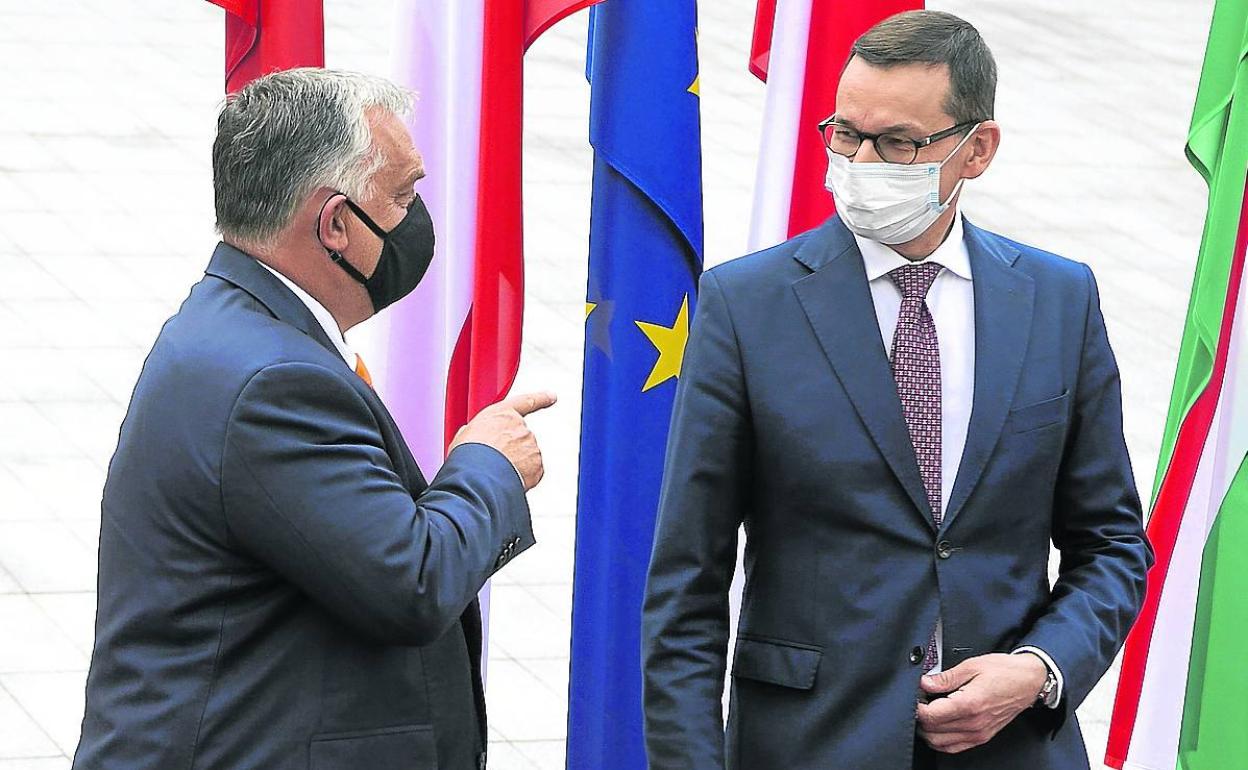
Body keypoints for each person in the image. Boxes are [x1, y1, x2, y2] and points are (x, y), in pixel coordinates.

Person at [641, 11, 1152, 770]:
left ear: (977, 149)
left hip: (1010, 750)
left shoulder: (1059, 300)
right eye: (846, 134)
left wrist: (1038, 671)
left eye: (899, 143)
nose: (861, 161)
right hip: (810, 746)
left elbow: (1111, 543)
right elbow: (687, 583)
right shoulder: (746, 307)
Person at [71, 68, 552, 770]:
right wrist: (489, 466)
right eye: (402, 195)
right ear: (335, 225)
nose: (420, 217)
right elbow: (411, 582)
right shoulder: (275, 382)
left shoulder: (240, 328)